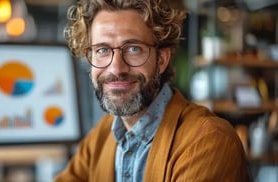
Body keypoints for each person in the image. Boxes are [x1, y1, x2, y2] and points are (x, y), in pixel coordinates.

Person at [54, 0, 251, 181]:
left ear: (162, 59)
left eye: (133, 49)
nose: (116, 69)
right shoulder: (103, 135)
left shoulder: (209, 141)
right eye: (102, 50)